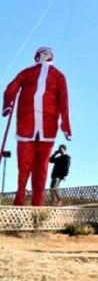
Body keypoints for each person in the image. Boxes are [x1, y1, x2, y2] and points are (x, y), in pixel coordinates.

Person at [2, 47, 72, 206]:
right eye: (42, 54)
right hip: (26, 127)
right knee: (24, 168)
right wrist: (7, 104)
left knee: (41, 170)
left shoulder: (58, 76)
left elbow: (64, 101)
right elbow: (11, 88)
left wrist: (66, 125)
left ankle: (37, 208)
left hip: (47, 129)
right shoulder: (27, 73)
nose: (44, 57)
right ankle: (19, 203)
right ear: (37, 56)